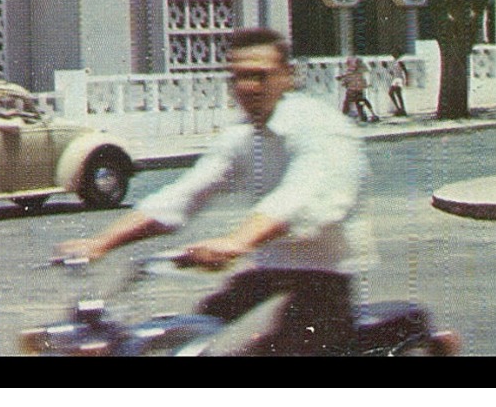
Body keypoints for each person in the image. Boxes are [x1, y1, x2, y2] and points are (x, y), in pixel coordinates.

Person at [56, 28, 372, 356]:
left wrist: (237, 241)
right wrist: (102, 243)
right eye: (238, 77)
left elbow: (298, 199)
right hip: (266, 274)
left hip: (325, 282)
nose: (247, 87)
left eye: (259, 76)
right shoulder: (244, 137)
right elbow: (186, 193)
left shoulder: (322, 130)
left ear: (287, 77)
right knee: (186, 339)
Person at [338, 56, 377, 123]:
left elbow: (365, 71)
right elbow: (345, 80)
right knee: (352, 103)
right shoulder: (351, 71)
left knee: (360, 102)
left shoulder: (359, 70)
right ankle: (360, 115)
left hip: (356, 91)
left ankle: (368, 114)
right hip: (353, 91)